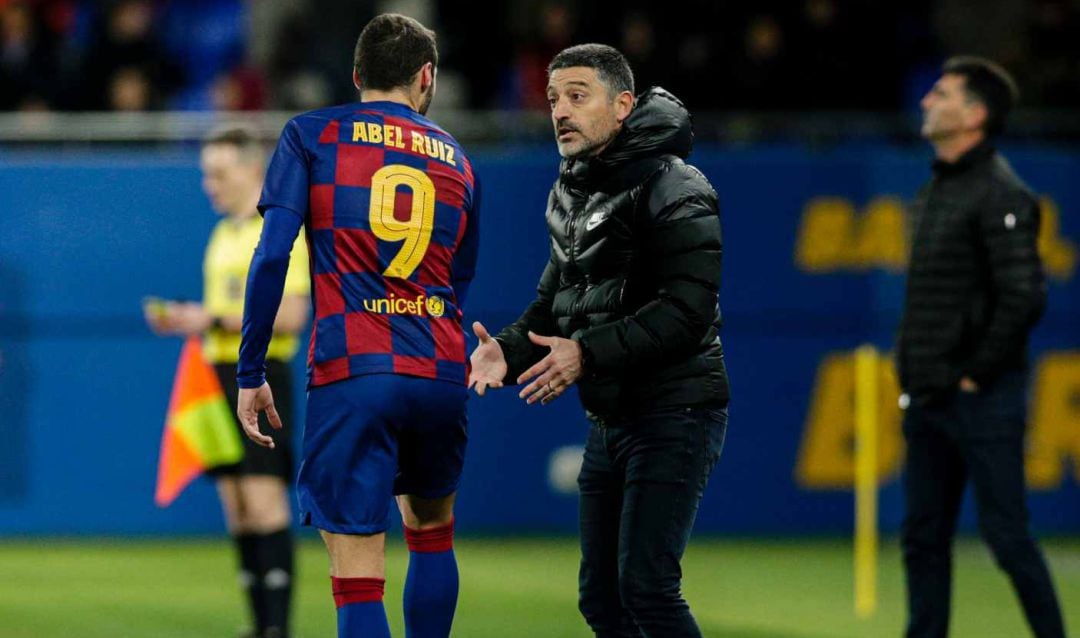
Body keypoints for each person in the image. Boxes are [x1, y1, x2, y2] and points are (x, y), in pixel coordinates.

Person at [468, 44, 728, 638]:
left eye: (578, 96)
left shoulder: (676, 185)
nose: (560, 110)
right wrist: (505, 353)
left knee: (647, 589)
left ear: (623, 105)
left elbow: (687, 313)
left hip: (676, 410)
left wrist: (586, 353)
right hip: (611, 418)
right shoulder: (570, 192)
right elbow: (551, 306)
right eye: (555, 97)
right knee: (602, 601)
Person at [235, 14, 480, 638]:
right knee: (431, 533)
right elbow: (458, 282)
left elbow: (271, 255)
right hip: (438, 368)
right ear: (426, 78)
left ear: (356, 75)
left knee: (357, 571)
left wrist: (252, 369)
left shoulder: (311, 135)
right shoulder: (458, 158)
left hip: (353, 368)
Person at [897, 56, 1066, 638]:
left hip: (981, 398)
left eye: (941, 94)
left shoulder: (1001, 193)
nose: (926, 101)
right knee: (922, 539)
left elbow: (1024, 296)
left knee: (1008, 539)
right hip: (929, 395)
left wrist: (975, 373)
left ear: (974, 115)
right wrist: (920, 378)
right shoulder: (936, 190)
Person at [144, 126, 310, 638]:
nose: (209, 184)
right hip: (217, 375)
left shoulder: (282, 232)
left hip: (261, 376)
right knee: (236, 505)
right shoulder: (223, 235)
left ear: (252, 171)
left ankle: (277, 628)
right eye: (205, 174)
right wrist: (193, 321)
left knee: (263, 499)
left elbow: (290, 315)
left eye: (218, 173)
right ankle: (258, 624)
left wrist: (209, 319)